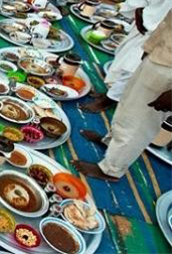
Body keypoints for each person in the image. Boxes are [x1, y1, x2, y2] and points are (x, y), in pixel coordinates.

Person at [72, 10, 172, 182]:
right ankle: (110, 142)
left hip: (167, 73)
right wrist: (150, 46)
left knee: (140, 122)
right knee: (127, 106)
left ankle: (111, 170)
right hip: (160, 55)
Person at [80, 0, 172, 113]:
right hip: (152, 10)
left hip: (166, 27)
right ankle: (110, 93)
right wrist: (139, 4)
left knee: (134, 63)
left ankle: (110, 99)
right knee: (126, 54)